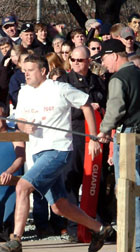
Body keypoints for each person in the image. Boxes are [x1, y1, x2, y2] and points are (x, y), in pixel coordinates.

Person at [0, 54, 113, 252]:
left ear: (43, 71)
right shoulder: (24, 93)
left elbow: (86, 103)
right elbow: (20, 121)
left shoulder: (59, 88)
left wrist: (93, 137)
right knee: (59, 206)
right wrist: (26, 127)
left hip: (59, 149)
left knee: (23, 186)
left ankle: (15, 241)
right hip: (39, 152)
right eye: (24, 70)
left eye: (30, 70)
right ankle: (100, 230)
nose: (26, 74)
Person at [96, 39, 140, 252]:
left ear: (114, 55)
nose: (103, 64)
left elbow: (115, 110)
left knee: (126, 193)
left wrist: (104, 131)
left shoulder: (119, 78)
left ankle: (135, 248)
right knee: (139, 191)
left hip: (128, 138)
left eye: (103, 58)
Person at [59, 45, 108, 241]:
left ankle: (99, 226)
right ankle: (73, 228)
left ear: (89, 61)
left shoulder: (97, 82)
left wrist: (99, 108)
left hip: (95, 137)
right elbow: (62, 109)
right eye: (72, 59)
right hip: (73, 135)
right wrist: (86, 107)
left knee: (97, 180)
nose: (75, 63)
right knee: (71, 180)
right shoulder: (64, 82)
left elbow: (106, 105)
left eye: (80, 60)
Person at [0, 101, 25, 241]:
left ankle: (13, 241)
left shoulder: (14, 133)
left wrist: (10, 171)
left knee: (9, 219)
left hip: (12, 183)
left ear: (5, 116)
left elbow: (21, 158)